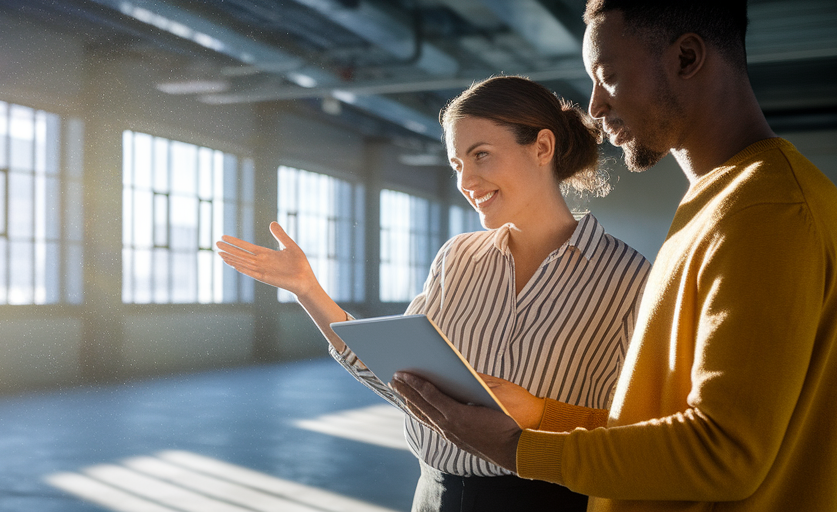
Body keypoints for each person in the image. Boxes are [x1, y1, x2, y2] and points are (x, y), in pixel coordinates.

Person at [387, 2, 837, 512]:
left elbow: (723, 454)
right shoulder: (717, 203)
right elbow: (657, 423)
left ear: (686, 57)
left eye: (607, 76)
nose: (593, 107)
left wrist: (514, 448)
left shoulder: (770, 208)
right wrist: (544, 415)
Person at [215, 76, 651, 512]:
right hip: (434, 496)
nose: (467, 180)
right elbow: (405, 384)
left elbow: (637, 435)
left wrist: (537, 413)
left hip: (549, 500)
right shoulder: (457, 257)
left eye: (481, 155)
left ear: (542, 147)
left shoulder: (628, 279)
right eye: (457, 164)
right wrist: (307, 289)